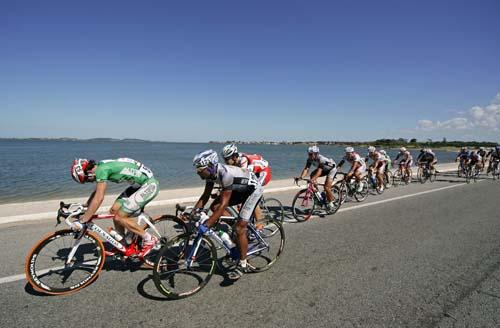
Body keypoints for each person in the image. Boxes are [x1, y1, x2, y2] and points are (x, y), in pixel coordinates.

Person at [193, 149, 263, 280]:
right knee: (214, 206)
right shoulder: (210, 175)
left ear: (210, 166)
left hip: (253, 190)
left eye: (200, 169)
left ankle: (243, 264)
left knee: (239, 228)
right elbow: (205, 196)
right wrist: (194, 211)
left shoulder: (226, 174)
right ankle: (238, 230)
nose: (198, 172)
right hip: (239, 188)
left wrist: (208, 223)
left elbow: (224, 205)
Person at [70, 158, 160, 257]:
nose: (89, 181)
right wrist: (86, 205)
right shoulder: (100, 166)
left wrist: (83, 220)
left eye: (86, 179)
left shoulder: (101, 170)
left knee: (120, 217)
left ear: (88, 172)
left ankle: (149, 239)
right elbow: (97, 191)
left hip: (149, 185)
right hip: (138, 185)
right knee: (114, 211)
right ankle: (123, 244)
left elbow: (99, 198)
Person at [222, 144, 271, 228]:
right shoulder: (235, 161)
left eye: (227, 159)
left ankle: (260, 225)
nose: (225, 162)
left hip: (263, 171)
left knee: (252, 197)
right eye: (224, 159)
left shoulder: (243, 161)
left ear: (234, 157)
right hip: (254, 172)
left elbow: (243, 178)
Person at [295, 146, 337, 211]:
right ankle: (318, 196)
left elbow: (319, 171)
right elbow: (306, 169)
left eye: (311, 154)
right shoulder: (309, 159)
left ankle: (331, 203)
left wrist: (313, 179)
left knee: (326, 187)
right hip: (323, 170)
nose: (309, 155)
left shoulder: (321, 159)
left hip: (331, 170)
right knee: (312, 176)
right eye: (308, 154)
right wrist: (301, 177)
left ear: (316, 153)